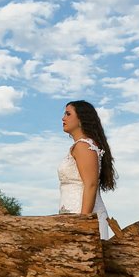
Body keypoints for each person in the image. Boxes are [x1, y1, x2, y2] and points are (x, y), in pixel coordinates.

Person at [59, 100, 117, 239]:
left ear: (81, 120)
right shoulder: (80, 146)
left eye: (68, 114)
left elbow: (91, 184)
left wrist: (84, 223)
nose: (63, 118)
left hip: (85, 217)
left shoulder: (83, 146)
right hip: (71, 215)